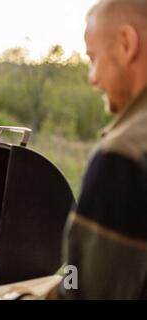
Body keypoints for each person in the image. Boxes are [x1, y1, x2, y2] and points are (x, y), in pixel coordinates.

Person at [48, 0, 147, 299]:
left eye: (93, 58)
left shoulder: (122, 156)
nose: (92, 78)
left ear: (127, 44)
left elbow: (84, 291)